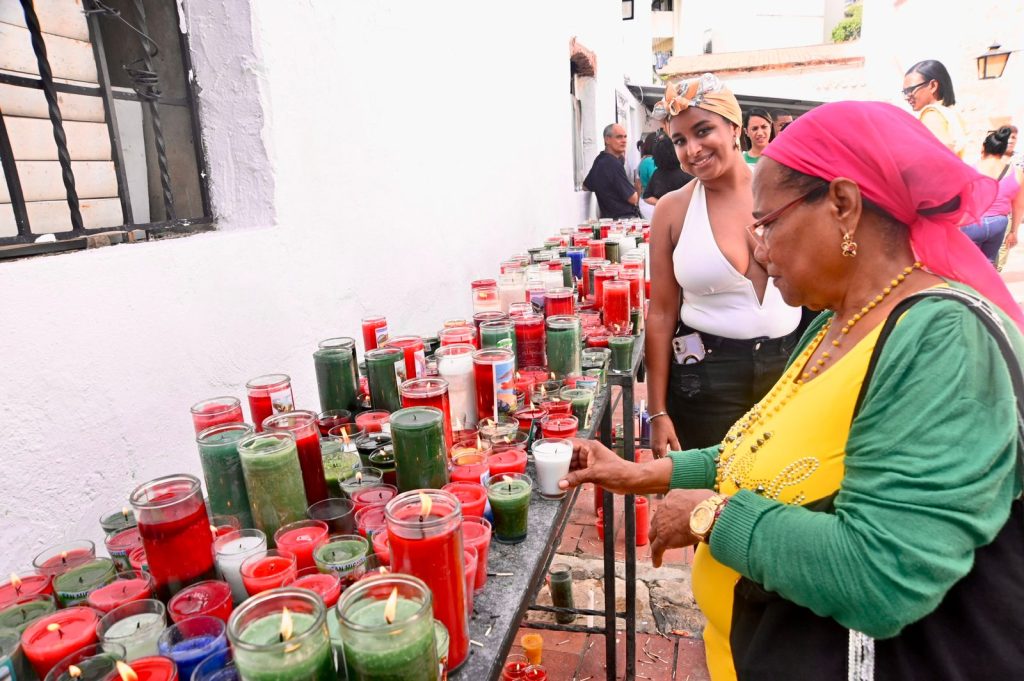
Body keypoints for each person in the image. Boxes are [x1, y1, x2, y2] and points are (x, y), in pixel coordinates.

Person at [561, 100, 1024, 680]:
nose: (759, 249)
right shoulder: (836, 322)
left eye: (768, 223)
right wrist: (637, 473)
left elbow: (881, 573)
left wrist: (710, 516)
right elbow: (757, 452)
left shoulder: (944, 340)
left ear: (843, 205)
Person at [644, 74, 802, 456]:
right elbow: (661, 314)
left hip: (790, 368)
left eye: (703, 131)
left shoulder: (787, 190)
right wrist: (657, 411)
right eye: (679, 140)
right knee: (709, 487)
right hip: (705, 377)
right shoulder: (672, 210)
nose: (692, 149)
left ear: (734, 127)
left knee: (784, 479)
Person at [962, 126, 1024, 264]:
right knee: (989, 264)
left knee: (968, 264)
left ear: (983, 147)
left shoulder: (970, 169)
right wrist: (1013, 232)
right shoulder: (1017, 173)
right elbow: (1019, 206)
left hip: (973, 222)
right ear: (1003, 150)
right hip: (999, 223)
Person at [903, 59, 967, 158]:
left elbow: (941, 158)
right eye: (905, 92)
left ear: (933, 86)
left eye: (910, 90)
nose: (906, 97)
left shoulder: (931, 116)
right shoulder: (950, 113)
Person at [583, 124, 639, 219]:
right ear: (607, 140)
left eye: (625, 137)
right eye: (619, 137)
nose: (624, 141)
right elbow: (633, 198)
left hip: (609, 219)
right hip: (623, 220)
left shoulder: (600, 160)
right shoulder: (612, 163)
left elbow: (586, 186)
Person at [642, 134, 694, 206]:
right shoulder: (687, 172)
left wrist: (664, 204)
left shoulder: (656, 174)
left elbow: (647, 196)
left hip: (664, 211)